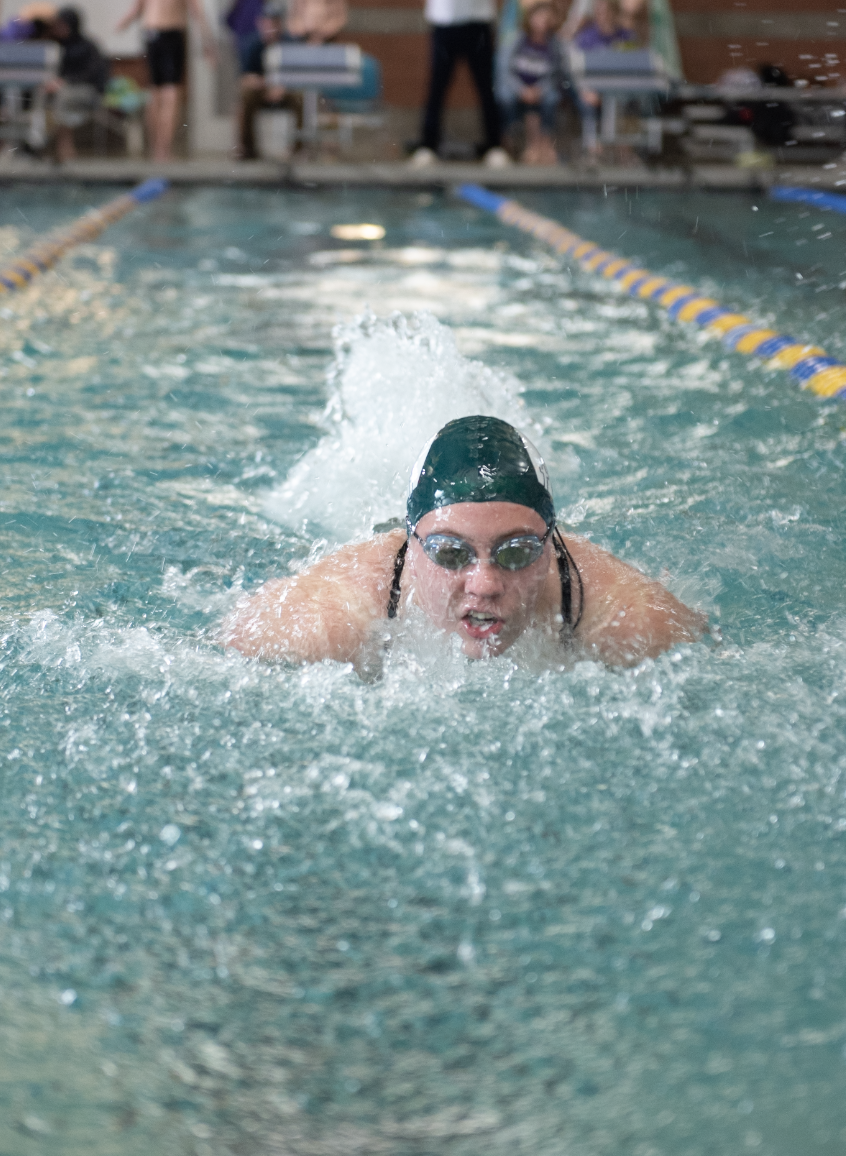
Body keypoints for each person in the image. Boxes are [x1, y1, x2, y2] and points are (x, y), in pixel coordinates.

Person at [223, 415, 706, 672]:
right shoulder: (325, 620)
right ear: (410, 547)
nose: (485, 585)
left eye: (516, 552)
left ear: (552, 545)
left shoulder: (631, 618)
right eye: (450, 554)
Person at [409, 0, 511, 169]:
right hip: (444, 22)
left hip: (478, 21)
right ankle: (427, 145)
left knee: (486, 86)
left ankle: (495, 146)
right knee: (437, 86)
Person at [116, 0, 217, 161]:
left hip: (150, 33)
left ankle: (156, 149)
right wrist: (209, 46)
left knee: (155, 92)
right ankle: (164, 151)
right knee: (170, 94)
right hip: (171, 35)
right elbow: (197, 13)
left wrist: (120, 25)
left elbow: (136, 10)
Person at [503, 0, 568, 165]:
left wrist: (539, 89)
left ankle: (544, 146)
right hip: (520, 87)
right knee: (508, 99)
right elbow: (506, 70)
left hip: (542, 89)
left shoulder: (554, 44)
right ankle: (523, 146)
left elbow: (556, 73)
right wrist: (521, 89)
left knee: (550, 99)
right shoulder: (518, 40)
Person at [236, 0, 300, 160]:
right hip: (262, 90)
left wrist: (282, 86)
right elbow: (245, 77)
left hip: (284, 90)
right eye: (268, 22)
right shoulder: (253, 45)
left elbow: (298, 75)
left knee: (300, 98)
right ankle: (248, 150)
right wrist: (264, 84)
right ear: (260, 23)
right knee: (245, 97)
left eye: (275, 22)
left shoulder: (289, 44)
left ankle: (298, 149)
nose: (271, 26)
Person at [45, 7, 108, 163]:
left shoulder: (88, 47)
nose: (59, 29)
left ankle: (65, 147)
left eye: (62, 25)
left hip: (88, 92)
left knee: (65, 95)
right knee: (44, 95)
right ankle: (35, 143)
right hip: (62, 92)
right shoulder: (57, 46)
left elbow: (94, 75)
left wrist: (66, 82)